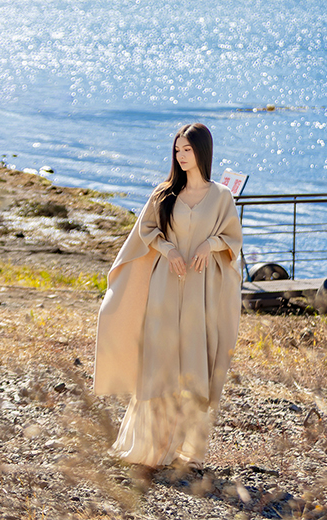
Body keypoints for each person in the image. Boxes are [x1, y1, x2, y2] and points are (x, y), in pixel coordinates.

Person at [93, 122, 242, 468]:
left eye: (187, 150)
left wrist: (212, 243)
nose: (181, 156)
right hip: (165, 285)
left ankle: (177, 447)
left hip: (199, 291)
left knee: (190, 364)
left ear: (202, 151)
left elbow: (234, 239)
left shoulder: (221, 196)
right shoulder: (164, 193)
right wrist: (167, 249)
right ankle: (146, 446)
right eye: (177, 150)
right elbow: (145, 230)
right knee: (160, 364)